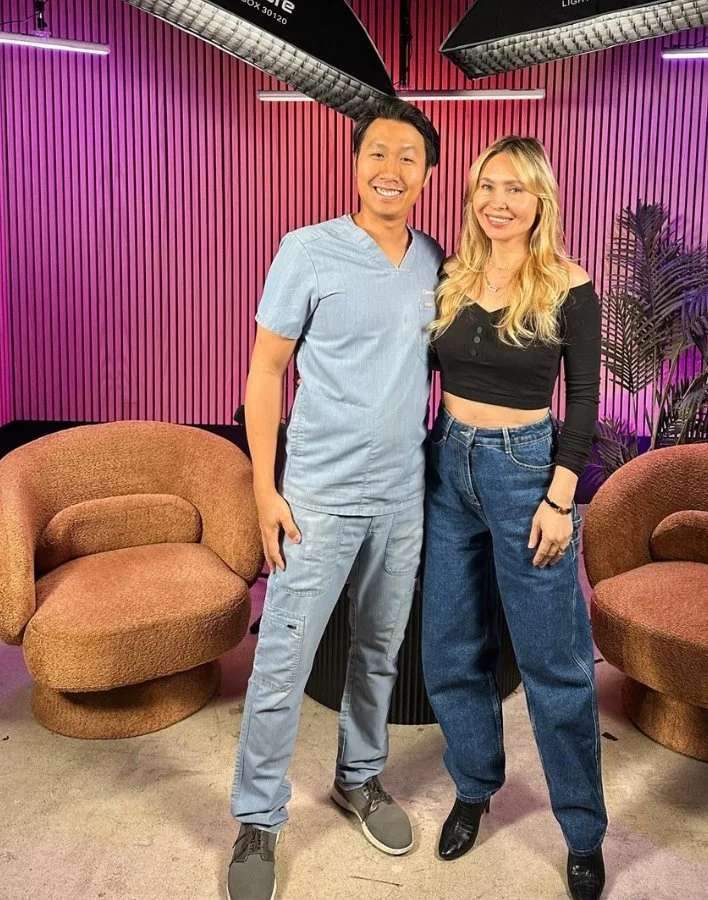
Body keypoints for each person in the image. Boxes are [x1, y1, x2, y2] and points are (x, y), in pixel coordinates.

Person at [227, 97, 443, 900]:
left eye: (408, 157)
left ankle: (359, 778)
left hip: (402, 494)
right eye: (378, 153)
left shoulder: (434, 260)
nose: (391, 169)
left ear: (427, 173)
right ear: (355, 164)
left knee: (379, 651)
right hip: (316, 494)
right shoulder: (307, 251)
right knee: (282, 663)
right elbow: (262, 372)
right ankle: (258, 820)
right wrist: (264, 488)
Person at [422, 136, 608, 900]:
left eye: (516, 188)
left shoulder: (570, 285)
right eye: (486, 186)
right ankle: (474, 785)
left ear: (541, 201)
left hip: (527, 471)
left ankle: (583, 833)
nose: (498, 200)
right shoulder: (451, 275)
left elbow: (587, 401)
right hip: (446, 465)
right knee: (449, 647)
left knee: (553, 664)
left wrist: (562, 497)